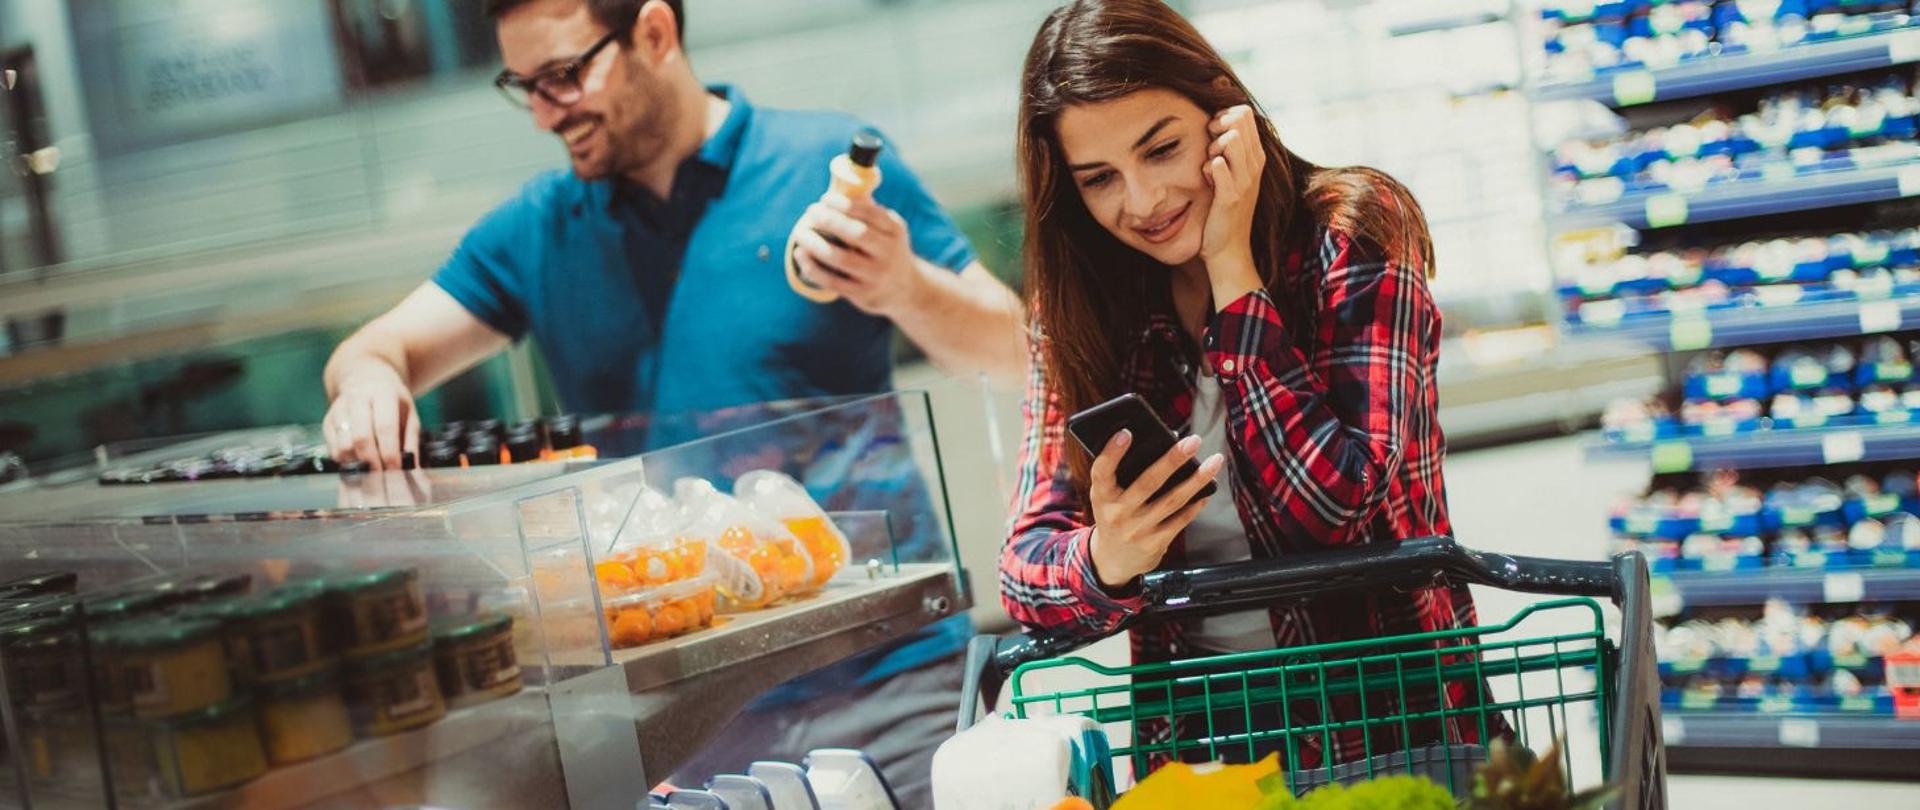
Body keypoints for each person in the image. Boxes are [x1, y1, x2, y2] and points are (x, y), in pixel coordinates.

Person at [320, 0, 1025, 802]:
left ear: (655, 33)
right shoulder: (538, 228)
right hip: (684, 715)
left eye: (563, 75)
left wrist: (905, 285)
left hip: (893, 680)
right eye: (525, 86)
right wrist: (371, 379)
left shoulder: (824, 164)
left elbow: (1009, 350)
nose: (546, 114)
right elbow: (373, 349)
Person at [998, 0, 1504, 772]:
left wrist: (1233, 270)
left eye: (1160, 149)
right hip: (1206, 743)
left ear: (1222, 111)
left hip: (1392, 720)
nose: (1142, 202)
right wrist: (1105, 555)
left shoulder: (1353, 232)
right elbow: (1025, 566)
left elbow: (1333, 507)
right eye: (1099, 178)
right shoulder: (1080, 311)